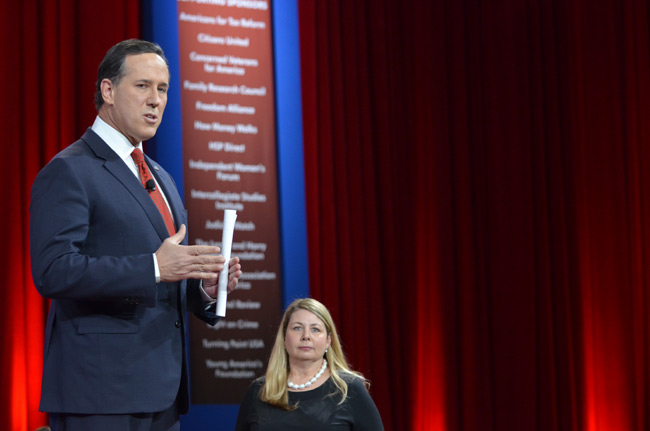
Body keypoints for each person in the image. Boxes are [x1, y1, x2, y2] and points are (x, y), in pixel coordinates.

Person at [29, 39, 242, 431]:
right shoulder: (70, 170)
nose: (155, 100)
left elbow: (165, 280)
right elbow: (54, 271)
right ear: (108, 91)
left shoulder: (161, 177)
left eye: (162, 89)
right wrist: (154, 268)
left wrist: (205, 289)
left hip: (162, 395)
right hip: (100, 395)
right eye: (142, 86)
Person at [235, 298, 384, 430]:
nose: (306, 336)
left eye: (315, 329)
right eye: (297, 328)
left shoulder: (348, 389)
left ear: (328, 341)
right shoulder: (259, 391)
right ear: (284, 338)